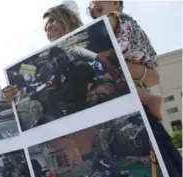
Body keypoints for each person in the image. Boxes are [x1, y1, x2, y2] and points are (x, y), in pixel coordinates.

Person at [43, 1, 181, 176]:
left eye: (53, 22)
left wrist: (126, 72)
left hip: (122, 116)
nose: (49, 29)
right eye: (46, 28)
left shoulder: (98, 35)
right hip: (88, 128)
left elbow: (152, 76)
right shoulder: (53, 62)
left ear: (67, 20)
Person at [87, 1, 182, 176]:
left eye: (98, 7)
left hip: (133, 77)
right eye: (93, 12)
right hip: (132, 82)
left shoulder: (117, 20)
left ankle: (148, 99)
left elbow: (151, 76)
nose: (94, 9)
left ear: (116, 3)